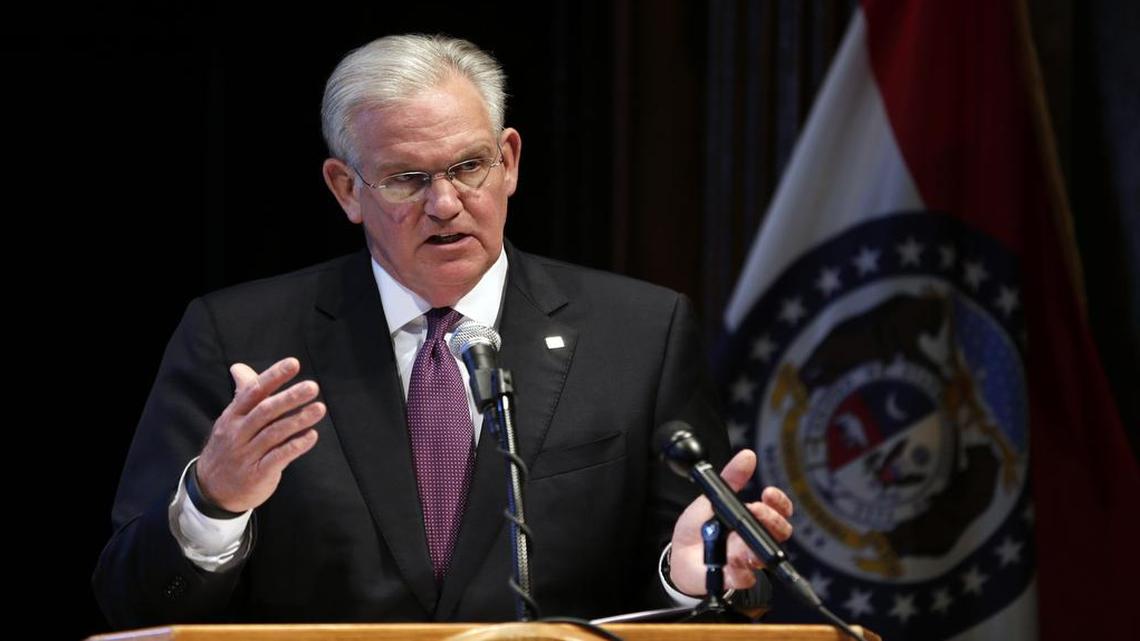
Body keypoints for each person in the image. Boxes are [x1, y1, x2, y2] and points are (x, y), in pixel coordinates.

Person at [93, 34, 794, 627]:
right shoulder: (239, 335)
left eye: (468, 167)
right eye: (406, 178)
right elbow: (132, 603)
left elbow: (709, 604)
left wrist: (690, 577)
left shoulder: (642, 332)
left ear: (509, 160)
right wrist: (213, 502)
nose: (445, 202)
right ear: (345, 188)